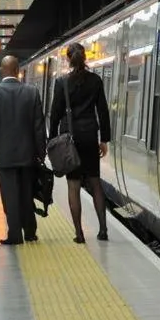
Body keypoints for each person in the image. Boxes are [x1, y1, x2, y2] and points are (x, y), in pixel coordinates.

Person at [49, 43, 111, 243]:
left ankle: (79, 234)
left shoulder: (62, 83)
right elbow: (102, 111)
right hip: (90, 136)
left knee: (73, 185)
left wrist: (51, 141)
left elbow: (55, 115)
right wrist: (104, 140)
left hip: (69, 139)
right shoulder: (95, 80)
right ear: (85, 57)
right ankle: (103, 230)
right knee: (95, 181)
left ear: (68, 59)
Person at [0, 56, 46, 245]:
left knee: (10, 196)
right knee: (27, 194)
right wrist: (40, 153)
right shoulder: (32, 92)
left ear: (3, 70)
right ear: (18, 70)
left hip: (6, 155)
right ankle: (30, 232)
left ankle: (15, 235)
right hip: (28, 155)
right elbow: (39, 126)